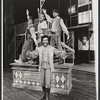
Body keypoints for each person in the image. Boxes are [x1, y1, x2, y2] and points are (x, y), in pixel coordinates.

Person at [26, 35, 67, 100]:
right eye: (44, 40)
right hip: (41, 67)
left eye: (46, 40)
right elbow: (34, 55)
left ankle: (47, 96)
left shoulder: (52, 48)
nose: (45, 41)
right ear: (42, 41)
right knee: (42, 82)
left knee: (48, 82)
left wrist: (62, 53)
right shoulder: (39, 49)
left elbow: (58, 53)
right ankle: (44, 95)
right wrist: (30, 54)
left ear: (48, 41)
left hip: (49, 67)